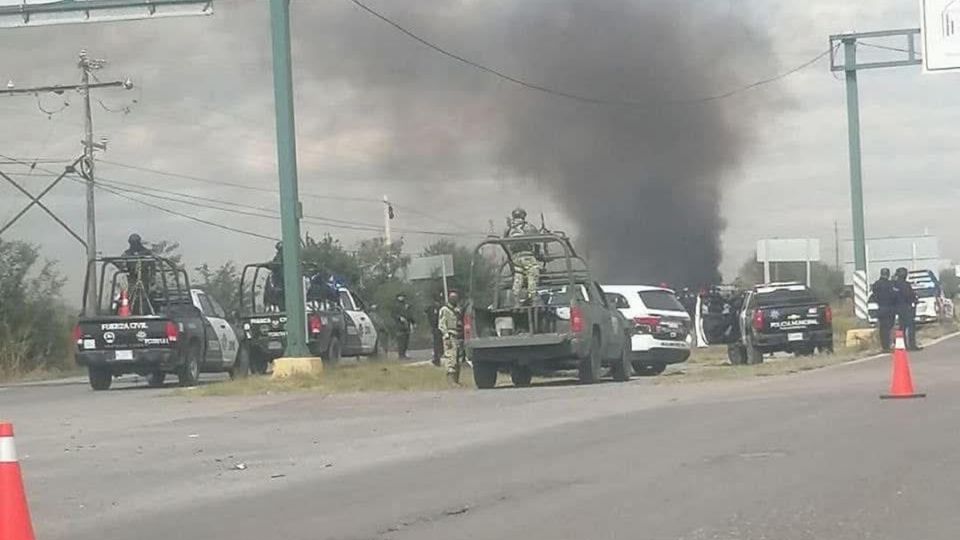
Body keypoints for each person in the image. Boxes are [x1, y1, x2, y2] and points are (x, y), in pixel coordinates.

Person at [503, 207, 541, 306]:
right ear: (524, 216)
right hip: (527, 255)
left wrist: (511, 256)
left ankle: (516, 299)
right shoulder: (528, 227)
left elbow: (504, 243)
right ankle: (532, 297)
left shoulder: (509, 229)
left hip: (516, 257)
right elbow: (537, 241)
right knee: (533, 273)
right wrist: (537, 255)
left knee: (518, 276)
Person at [438, 290, 464, 385]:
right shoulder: (444, 310)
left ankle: (457, 381)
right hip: (450, 335)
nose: (454, 300)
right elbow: (441, 324)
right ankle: (451, 381)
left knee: (458, 360)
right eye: (452, 298)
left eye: (456, 298)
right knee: (450, 358)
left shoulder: (458, 310)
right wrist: (446, 336)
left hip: (458, 335)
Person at [893, 267, 921, 351]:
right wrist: (915, 300)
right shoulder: (905, 285)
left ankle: (902, 345)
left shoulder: (894, 285)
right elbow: (909, 296)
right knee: (911, 327)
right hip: (907, 308)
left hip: (898, 309)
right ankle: (911, 345)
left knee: (902, 327)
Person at [870, 268, 897, 351]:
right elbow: (894, 296)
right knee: (890, 327)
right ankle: (890, 344)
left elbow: (874, 295)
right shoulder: (890, 284)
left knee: (883, 328)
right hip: (890, 308)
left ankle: (884, 346)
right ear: (888, 274)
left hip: (881, 308)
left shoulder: (876, 284)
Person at [392, 293, 415, 359]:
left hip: (406, 325)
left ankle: (404, 354)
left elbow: (409, 314)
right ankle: (401, 355)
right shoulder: (395, 305)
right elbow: (393, 314)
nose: (402, 298)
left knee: (406, 341)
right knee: (401, 341)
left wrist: (413, 322)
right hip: (399, 326)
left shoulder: (406, 305)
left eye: (403, 296)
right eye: (401, 296)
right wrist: (399, 318)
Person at [425, 296, 443, 366]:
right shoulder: (438, 308)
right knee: (438, 343)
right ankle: (437, 358)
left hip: (437, 327)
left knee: (437, 343)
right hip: (438, 327)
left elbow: (431, 317)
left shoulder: (434, 308)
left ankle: (437, 358)